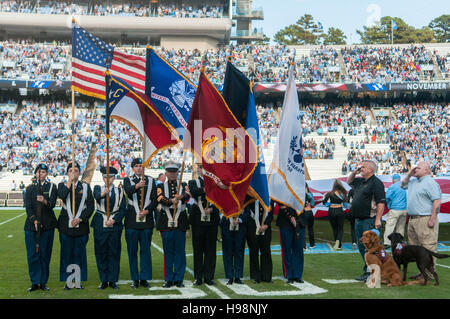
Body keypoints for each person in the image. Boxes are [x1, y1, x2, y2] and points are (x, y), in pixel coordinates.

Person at [401, 161, 442, 281]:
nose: (415, 169)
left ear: (427, 170)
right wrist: (409, 173)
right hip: (413, 219)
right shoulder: (414, 181)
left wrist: (432, 219)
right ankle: (422, 273)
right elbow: (402, 184)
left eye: (418, 168)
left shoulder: (430, 182)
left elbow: (437, 201)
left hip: (425, 218)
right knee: (416, 249)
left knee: (428, 247)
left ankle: (429, 275)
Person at [57, 162, 95, 289]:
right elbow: (62, 195)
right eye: (71, 171)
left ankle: (78, 282)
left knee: (79, 254)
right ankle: (68, 282)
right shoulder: (62, 185)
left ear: (80, 173)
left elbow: (90, 206)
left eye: (76, 171)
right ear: (67, 173)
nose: (73, 173)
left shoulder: (85, 187)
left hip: (81, 226)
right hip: (65, 227)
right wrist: (69, 182)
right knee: (67, 254)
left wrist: (80, 218)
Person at [347, 160, 386, 282]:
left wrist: (378, 219)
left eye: (364, 167)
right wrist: (355, 171)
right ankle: (369, 270)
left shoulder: (376, 183)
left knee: (370, 247)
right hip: (358, 219)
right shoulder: (360, 181)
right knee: (361, 246)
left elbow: (381, 202)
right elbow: (349, 181)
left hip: (369, 220)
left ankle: (371, 272)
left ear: (371, 170)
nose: (361, 168)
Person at [123, 158, 158, 289]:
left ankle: (144, 278)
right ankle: (134, 279)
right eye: (136, 166)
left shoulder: (151, 180)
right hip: (132, 220)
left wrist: (148, 210)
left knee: (145, 251)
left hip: (146, 220)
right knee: (132, 251)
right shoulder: (128, 180)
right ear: (132, 168)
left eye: (141, 166)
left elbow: (155, 199)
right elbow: (128, 191)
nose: (139, 168)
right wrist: (137, 186)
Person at [155, 160, 190, 288]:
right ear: (166, 173)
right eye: (170, 172)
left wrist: (180, 197)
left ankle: (179, 278)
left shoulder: (183, 185)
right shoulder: (160, 186)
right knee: (168, 252)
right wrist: (171, 201)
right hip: (166, 223)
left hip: (180, 222)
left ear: (177, 173)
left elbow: (188, 195)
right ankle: (169, 278)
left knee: (180, 252)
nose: (172, 174)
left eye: (174, 172)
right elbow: (159, 198)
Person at [91, 166, 127, 290]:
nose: (108, 179)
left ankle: (112, 280)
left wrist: (114, 220)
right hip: (100, 224)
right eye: (105, 177)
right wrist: (103, 194)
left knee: (114, 252)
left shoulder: (120, 191)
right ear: (102, 178)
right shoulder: (97, 188)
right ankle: (103, 279)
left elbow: (123, 210)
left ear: (114, 178)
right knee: (101, 252)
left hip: (114, 225)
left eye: (110, 177)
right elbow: (96, 197)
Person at [24, 164, 57, 292]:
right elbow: (28, 207)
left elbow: (52, 204)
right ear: (35, 174)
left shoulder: (51, 187)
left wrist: (44, 201)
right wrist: (34, 220)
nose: (40, 174)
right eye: (38, 172)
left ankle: (43, 282)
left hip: (47, 226)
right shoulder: (30, 188)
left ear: (46, 174)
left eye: (43, 172)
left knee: (44, 255)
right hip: (31, 227)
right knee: (33, 255)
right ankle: (35, 282)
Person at [188, 163, 220, 286]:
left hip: (211, 220)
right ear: (199, 170)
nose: (204, 170)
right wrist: (206, 189)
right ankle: (198, 277)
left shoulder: (217, 183)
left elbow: (220, 200)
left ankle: (208, 276)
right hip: (198, 221)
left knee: (210, 250)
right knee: (198, 250)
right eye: (202, 168)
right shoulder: (193, 182)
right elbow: (194, 192)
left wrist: (212, 210)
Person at [273, 200, 305, 284]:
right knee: (286, 249)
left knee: (298, 249)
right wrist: (291, 217)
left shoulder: (302, 186)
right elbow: (280, 202)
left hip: (300, 220)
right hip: (285, 222)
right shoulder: (282, 186)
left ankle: (297, 275)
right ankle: (289, 275)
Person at [245, 200, 273, 283]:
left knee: (266, 252)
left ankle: (267, 276)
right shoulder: (251, 195)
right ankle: (255, 276)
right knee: (254, 252)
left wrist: (266, 224)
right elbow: (247, 211)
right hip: (252, 228)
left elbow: (271, 213)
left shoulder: (268, 197)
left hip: (266, 229)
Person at [219, 208, 249, 285]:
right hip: (226, 226)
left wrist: (239, 219)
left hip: (240, 228)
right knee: (227, 253)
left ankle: (238, 276)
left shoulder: (244, 197)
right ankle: (230, 276)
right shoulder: (225, 196)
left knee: (239, 252)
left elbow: (247, 211)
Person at [322, 179, 348, 250]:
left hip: (331, 211)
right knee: (340, 229)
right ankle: (338, 244)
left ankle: (336, 243)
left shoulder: (329, 193)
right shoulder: (343, 193)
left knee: (334, 229)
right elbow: (346, 205)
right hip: (340, 211)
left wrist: (330, 204)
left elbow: (324, 203)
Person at [383, 174, 407, 248]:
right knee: (401, 226)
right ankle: (399, 241)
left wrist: (388, 205)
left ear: (393, 180)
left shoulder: (392, 187)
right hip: (404, 209)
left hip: (395, 209)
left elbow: (387, 197)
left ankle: (387, 242)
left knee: (390, 226)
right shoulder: (404, 186)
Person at [303, 183, 316, 249]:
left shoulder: (300, 194)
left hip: (305, 212)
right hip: (310, 212)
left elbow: (312, 203)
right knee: (310, 229)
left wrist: (307, 195)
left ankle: (305, 245)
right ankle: (312, 244)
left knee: (304, 229)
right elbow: (313, 203)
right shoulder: (310, 194)